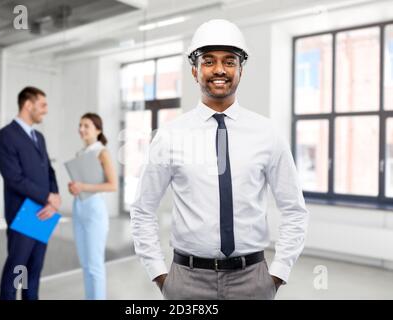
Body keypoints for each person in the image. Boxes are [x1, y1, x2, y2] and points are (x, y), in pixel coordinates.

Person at [130, 19, 309, 300]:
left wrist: (276, 275)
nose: (219, 70)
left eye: (229, 61)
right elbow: (142, 210)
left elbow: (294, 209)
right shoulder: (169, 136)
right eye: (208, 61)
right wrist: (161, 276)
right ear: (195, 70)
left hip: (253, 280)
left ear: (241, 70)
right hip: (186, 280)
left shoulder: (267, 133)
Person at [0, 86, 61, 300]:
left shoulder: (38, 137)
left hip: (44, 213)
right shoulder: (5, 136)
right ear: (28, 105)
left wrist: (55, 198)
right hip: (22, 214)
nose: (45, 110)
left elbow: (49, 170)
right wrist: (47, 197)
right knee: (17, 272)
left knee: (33, 273)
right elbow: (14, 178)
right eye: (42, 105)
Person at [68, 113, 117, 300]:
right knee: (85, 264)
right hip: (78, 206)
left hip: (94, 210)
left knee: (95, 265)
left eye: (86, 126)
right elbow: (81, 184)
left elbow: (112, 185)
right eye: (80, 125)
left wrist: (83, 186)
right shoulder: (80, 154)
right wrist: (74, 188)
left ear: (97, 129)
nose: (81, 129)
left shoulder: (102, 152)